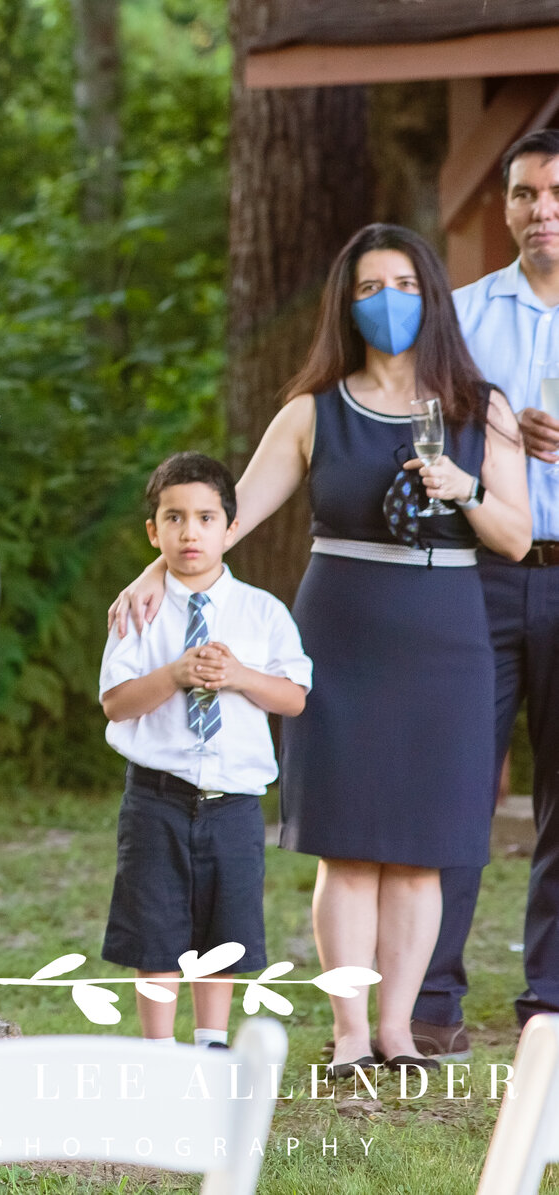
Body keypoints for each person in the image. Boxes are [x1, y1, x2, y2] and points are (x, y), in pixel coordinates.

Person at [112, 223, 529, 1074]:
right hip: (342, 634)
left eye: (405, 285)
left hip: (447, 639)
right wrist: (157, 568)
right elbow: (232, 516)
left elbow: (516, 537)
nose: (388, 303)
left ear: (433, 297)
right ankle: (346, 1032)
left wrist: (466, 485)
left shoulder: (480, 407)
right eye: (370, 288)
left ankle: (398, 1030)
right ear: (347, 303)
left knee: (420, 846)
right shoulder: (313, 409)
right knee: (349, 839)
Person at [421, 126, 559, 1056]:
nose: (540, 211)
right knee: (458, 782)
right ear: (502, 204)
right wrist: (495, 447)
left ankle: (550, 996)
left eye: (554, 192)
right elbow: (422, 432)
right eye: (522, 194)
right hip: (482, 575)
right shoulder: (465, 315)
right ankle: (431, 998)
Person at [99, 452, 309, 1051]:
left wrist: (239, 675)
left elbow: (293, 697)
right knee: (156, 927)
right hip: (156, 798)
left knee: (224, 926)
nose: (190, 532)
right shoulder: (139, 609)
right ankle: (159, 1050)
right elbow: (116, 703)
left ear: (230, 527)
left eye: (205, 518)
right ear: (153, 531)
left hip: (234, 802)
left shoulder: (263, 612)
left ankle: (212, 1044)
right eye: (174, 518)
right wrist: (176, 673)